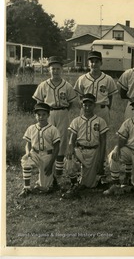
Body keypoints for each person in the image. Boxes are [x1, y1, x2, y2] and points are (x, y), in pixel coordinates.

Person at [32, 56, 77, 188]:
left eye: (58, 69)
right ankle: (50, 173)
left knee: (62, 140)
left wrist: (63, 110)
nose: (55, 71)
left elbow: (71, 102)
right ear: (49, 70)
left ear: (61, 70)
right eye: (53, 69)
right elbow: (38, 102)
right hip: (48, 113)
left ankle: (58, 174)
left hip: (62, 112)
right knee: (48, 140)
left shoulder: (66, 85)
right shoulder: (43, 85)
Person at [63, 94, 109, 198]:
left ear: (94, 105)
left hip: (94, 150)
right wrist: (70, 148)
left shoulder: (100, 121)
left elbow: (103, 142)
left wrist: (101, 160)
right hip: (80, 150)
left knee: (88, 185)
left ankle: (87, 179)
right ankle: (74, 183)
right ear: (82, 106)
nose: (87, 107)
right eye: (85, 105)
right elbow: (72, 138)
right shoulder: (77, 120)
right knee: (69, 160)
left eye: (90, 105)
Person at [19, 103, 60, 197]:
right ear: (35, 115)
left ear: (48, 115)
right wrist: (27, 153)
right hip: (35, 153)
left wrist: (51, 164)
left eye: (44, 114)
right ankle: (26, 188)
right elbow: (28, 144)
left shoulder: (53, 129)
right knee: (25, 161)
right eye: (38, 115)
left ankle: (52, 180)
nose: (41, 117)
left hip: (47, 155)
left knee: (44, 188)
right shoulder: (31, 128)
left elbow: (57, 147)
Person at [73, 51, 118, 125]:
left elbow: (110, 96)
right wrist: (83, 107)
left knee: (102, 133)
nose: (94, 64)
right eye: (92, 62)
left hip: (102, 109)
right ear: (88, 63)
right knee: (84, 132)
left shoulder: (107, 79)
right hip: (86, 109)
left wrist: (107, 108)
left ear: (101, 63)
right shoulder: (82, 79)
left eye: (97, 62)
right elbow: (80, 96)